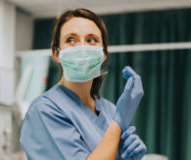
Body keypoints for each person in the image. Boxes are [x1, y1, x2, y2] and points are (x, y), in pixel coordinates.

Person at [20, 8, 147, 160]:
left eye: (91, 40)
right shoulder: (44, 110)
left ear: (104, 53)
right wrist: (118, 122)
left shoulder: (110, 110)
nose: (82, 48)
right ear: (56, 53)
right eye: (71, 40)